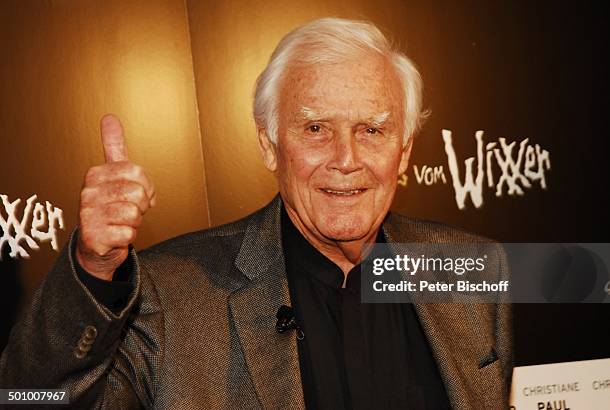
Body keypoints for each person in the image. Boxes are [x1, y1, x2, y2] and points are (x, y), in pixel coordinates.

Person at [0, 18, 512, 409]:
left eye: (372, 130)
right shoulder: (170, 294)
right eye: (315, 129)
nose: (346, 159)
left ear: (402, 153)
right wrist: (93, 269)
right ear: (269, 147)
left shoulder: (473, 268)